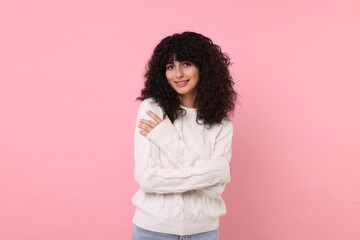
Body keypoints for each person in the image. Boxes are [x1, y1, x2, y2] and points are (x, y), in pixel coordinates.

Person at [131, 31, 237, 240]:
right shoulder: (153, 110)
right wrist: (211, 172)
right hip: (153, 231)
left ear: (203, 67)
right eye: (170, 67)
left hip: (204, 232)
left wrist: (166, 140)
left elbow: (216, 188)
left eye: (186, 64)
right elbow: (148, 179)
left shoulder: (222, 123)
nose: (178, 74)